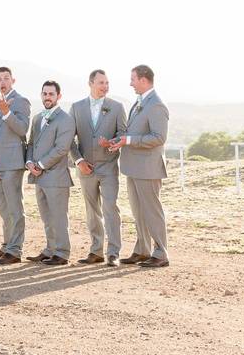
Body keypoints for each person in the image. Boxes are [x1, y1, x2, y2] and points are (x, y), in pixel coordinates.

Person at [111, 65, 169, 268]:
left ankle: (161, 253)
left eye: (133, 79)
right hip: (133, 167)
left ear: (143, 80)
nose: (130, 83)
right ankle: (142, 249)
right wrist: (119, 140)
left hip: (148, 168)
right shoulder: (140, 102)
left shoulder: (156, 105)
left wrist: (129, 141)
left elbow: (159, 138)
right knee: (139, 212)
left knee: (152, 211)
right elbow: (133, 131)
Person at [69, 69, 127, 266]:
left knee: (110, 208)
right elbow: (69, 139)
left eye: (107, 83)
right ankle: (96, 251)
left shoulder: (117, 107)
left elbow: (123, 134)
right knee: (91, 210)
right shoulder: (76, 107)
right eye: (101, 82)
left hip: (109, 167)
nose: (105, 86)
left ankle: (113, 253)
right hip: (86, 169)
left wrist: (110, 143)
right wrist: (79, 161)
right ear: (91, 83)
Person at [25, 81, 74, 266]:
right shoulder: (37, 118)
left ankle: (62, 253)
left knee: (59, 217)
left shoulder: (66, 119)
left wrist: (40, 164)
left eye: (51, 94)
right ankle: (50, 249)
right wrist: (29, 162)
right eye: (44, 93)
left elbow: (62, 149)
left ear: (58, 96)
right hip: (38, 176)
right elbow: (31, 144)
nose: (47, 97)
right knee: (46, 217)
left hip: (56, 176)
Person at [0, 67, 31, 265]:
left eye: (6, 78)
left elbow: (22, 129)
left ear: (13, 80)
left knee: (14, 207)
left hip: (13, 162)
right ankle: (6, 245)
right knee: (3, 208)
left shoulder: (21, 101)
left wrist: (6, 112)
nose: (2, 81)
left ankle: (15, 250)